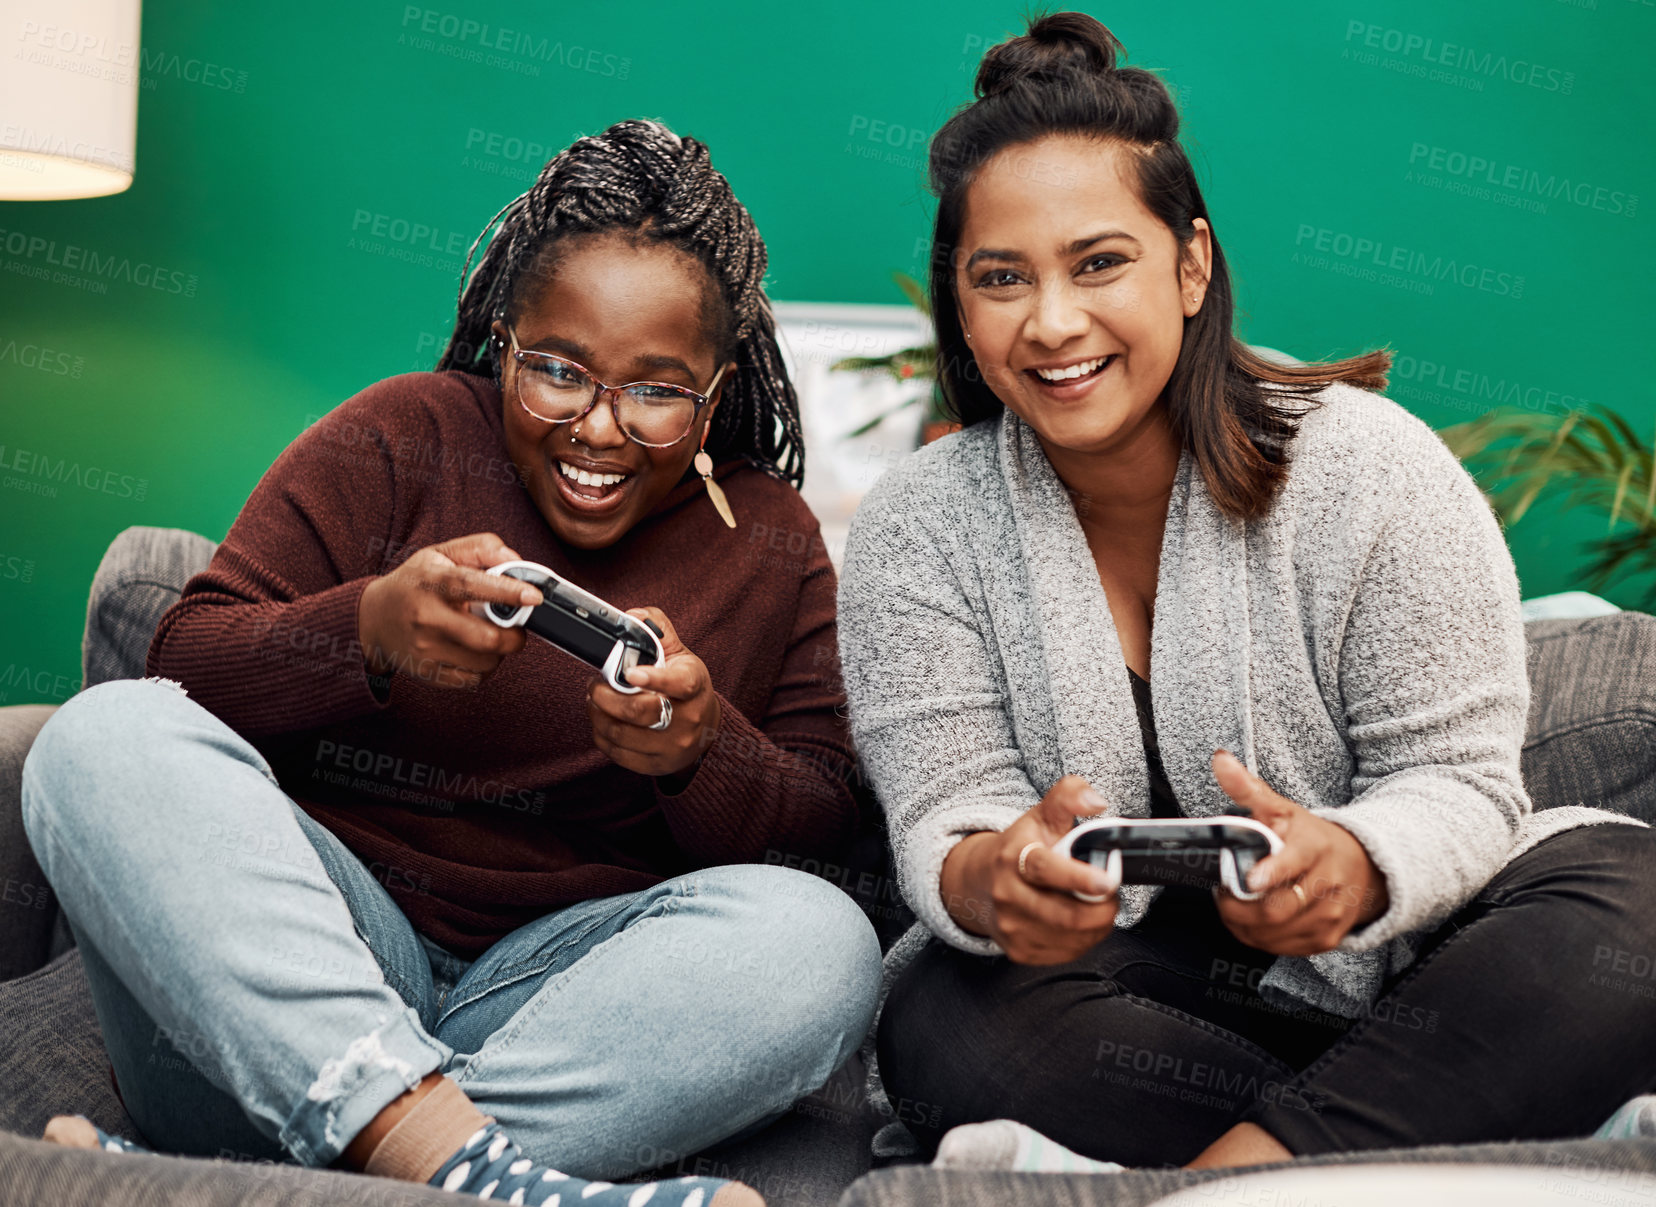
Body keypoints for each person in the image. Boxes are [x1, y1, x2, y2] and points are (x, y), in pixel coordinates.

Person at [835, 12, 1656, 1174]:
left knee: (1637, 906)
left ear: (1191, 263)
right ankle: (1460, 1131)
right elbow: (944, 802)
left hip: (1410, 968)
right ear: (961, 310)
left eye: (1099, 261)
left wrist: (1359, 865)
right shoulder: (921, 523)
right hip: (1156, 1007)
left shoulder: (1369, 465)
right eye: (1001, 278)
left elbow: (1459, 780)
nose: (1053, 321)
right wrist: (996, 879)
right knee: (942, 1022)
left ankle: (1229, 1180)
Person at [23, 118, 882, 1207]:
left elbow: (826, 820)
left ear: (717, 391)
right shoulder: (402, 434)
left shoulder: (772, 538)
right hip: (301, 964)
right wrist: (367, 633)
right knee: (104, 736)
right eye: (558, 371)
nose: (600, 430)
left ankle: (268, 1179)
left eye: (657, 391)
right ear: (503, 339)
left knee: (824, 943)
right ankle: (473, 1174)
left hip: (564, 1002)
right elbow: (184, 662)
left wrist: (697, 752)